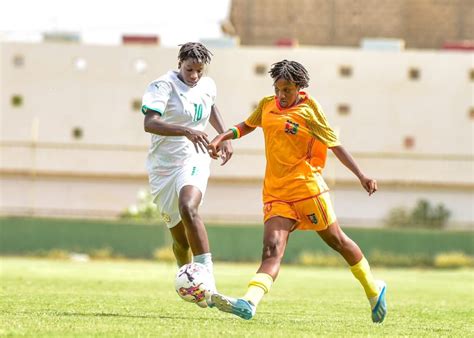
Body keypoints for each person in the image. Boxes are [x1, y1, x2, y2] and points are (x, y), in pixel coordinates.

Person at [207, 60, 387, 322]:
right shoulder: (267, 104)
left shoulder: (310, 111)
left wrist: (361, 174)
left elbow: (335, 145)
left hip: (307, 189)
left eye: (287, 90)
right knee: (271, 249)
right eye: (278, 89)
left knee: (337, 241)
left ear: (299, 87)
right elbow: (247, 125)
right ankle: (249, 302)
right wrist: (221, 137)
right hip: (276, 192)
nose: (281, 95)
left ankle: (373, 288)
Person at [141, 42, 232, 307]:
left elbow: (211, 105)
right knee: (180, 241)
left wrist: (224, 136)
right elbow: (150, 124)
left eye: (199, 71)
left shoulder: (207, 85)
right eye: (189, 69)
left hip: (194, 156)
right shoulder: (162, 86)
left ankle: (208, 280)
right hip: (162, 167)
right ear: (180, 63)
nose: (194, 76)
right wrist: (185, 130)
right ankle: (193, 284)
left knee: (188, 207)